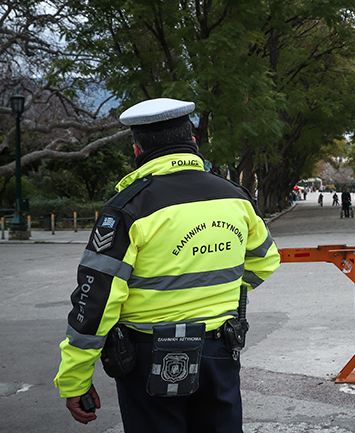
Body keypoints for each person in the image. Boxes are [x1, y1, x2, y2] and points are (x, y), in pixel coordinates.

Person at [54, 98, 281, 432]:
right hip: (220, 350)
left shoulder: (128, 209)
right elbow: (265, 260)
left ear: (137, 150)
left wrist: (75, 378)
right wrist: (217, 293)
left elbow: (96, 301)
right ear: (192, 143)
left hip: (149, 357)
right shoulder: (235, 197)